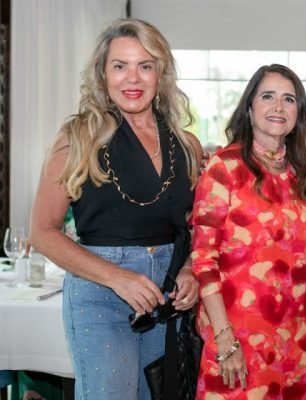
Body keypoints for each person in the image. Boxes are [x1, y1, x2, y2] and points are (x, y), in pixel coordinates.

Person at [29, 18, 203, 399]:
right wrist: (116, 277)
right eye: (120, 66)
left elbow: (195, 225)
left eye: (145, 65)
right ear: (103, 75)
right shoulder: (78, 137)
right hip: (100, 297)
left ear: (161, 73)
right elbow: (42, 232)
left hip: (166, 300)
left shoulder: (186, 144)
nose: (133, 79)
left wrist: (190, 270)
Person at [189, 64, 306, 398]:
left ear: (298, 114)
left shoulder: (304, 174)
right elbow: (204, 262)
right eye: (268, 96)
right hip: (238, 338)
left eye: (289, 99)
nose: (279, 106)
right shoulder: (224, 168)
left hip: (297, 341)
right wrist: (224, 337)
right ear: (249, 108)